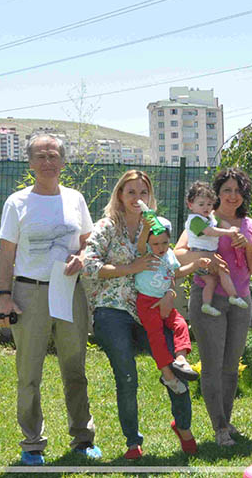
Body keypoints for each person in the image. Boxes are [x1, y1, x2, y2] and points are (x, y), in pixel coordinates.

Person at [0, 134, 101, 466]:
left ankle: (83, 438)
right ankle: (32, 443)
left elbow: (88, 242)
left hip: (67, 290)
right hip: (29, 292)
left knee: (75, 368)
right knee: (29, 372)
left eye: (53, 155)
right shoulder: (17, 203)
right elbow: (6, 254)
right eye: (40, 156)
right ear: (30, 163)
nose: (47, 162)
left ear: (63, 162)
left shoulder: (75, 199)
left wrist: (82, 257)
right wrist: (4, 296)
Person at [82, 170, 195, 460]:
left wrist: (171, 294)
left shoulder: (160, 226)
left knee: (174, 365)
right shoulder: (107, 226)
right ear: (119, 195)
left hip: (154, 306)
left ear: (150, 196)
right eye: (130, 192)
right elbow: (89, 265)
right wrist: (129, 268)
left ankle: (182, 427)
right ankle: (133, 443)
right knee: (127, 377)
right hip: (113, 309)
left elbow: (168, 267)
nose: (137, 198)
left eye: (142, 192)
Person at [174, 168, 252, 447]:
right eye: (226, 190)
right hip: (209, 298)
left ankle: (226, 419)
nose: (232, 196)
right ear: (216, 194)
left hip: (240, 299)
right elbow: (177, 254)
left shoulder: (249, 225)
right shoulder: (203, 219)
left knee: (231, 367)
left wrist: (245, 242)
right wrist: (207, 258)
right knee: (212, 365)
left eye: (237, 190)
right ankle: (220, 427)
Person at [135, 216, 207, 396]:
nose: (160, 247)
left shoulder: (169, 256)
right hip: (147, 303)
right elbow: (141, 244)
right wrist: (145, 228)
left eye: (164, 243)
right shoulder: (144, 254)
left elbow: (177, 273)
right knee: (156, 336)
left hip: (165, 299)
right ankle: (168, 375)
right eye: (156, 243)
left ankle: (181, 358)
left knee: (181, 324)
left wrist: (196, 264)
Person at [184, 181, 248, 317]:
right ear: (191, 205)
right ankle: (234, 296)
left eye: (209, 204)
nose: (206, 208)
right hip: (199, 256)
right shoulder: (195, 220)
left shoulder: (209, 217)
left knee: (211, 281)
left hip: (210, 255)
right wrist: (228, 233)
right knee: (223, 271)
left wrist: (230, 228)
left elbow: (220, 223)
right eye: (201, 204)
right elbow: (210, 231)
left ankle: (206, 305)